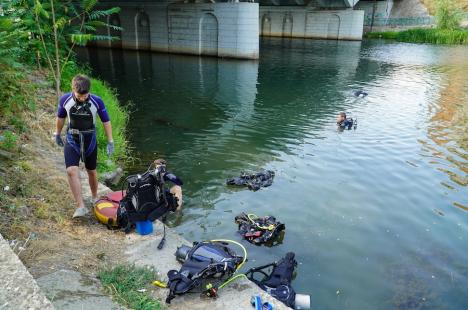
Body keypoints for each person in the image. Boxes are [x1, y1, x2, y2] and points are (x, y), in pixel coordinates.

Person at [54, 75, 114, 218]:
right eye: (79, 96)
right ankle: (80, 206)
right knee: (71, 171)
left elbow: (106, 121)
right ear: (73, 90)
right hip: (72, 138)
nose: (82, 98)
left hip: (89, 139)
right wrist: (57, 133)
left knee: (91, 171)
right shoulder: (65, 100)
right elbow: (60, 117)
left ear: (89, 91)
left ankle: (94, 198)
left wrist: (110, 141)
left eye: (85, 95)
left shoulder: (96, 101)